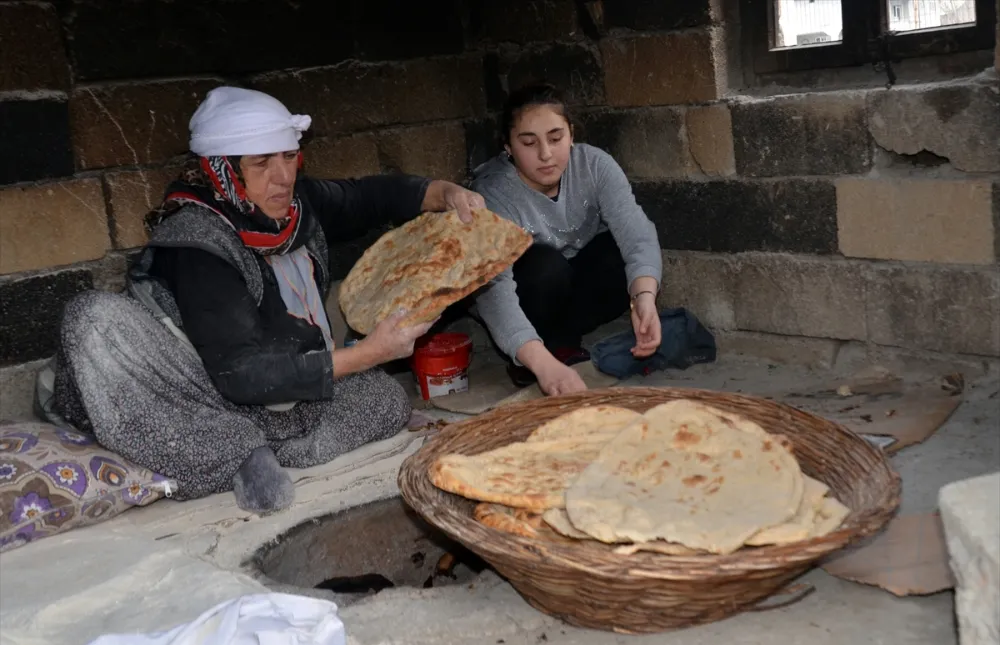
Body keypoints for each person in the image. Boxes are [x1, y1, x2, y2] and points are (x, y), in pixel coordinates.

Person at [38, 86, 486, 514]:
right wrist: (372, 353)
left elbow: (371, 196)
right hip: (190, 387)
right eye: (262, 163)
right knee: (90, 319)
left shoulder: (294, 206)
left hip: (272, 390)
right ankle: (233, 454)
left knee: (384, 400)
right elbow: (242, 374)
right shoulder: (198, 242)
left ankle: (239, 443)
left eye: (290, 156)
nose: (283, 177)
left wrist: (444, 193)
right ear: (223, 171)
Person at [472, 83, 663, 396]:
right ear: (507, 146)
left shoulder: (594, 165)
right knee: (546, 267)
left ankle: (561, 341)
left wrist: (644, 298)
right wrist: (536, 358)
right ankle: (531, 355)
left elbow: (637, 235)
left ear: (571, 134)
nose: (546, 154)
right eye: (528, 143)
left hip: (573, 279)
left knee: (619, 260)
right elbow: (494, 290)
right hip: (531, 286)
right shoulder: (494, 195)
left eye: (556, 138)